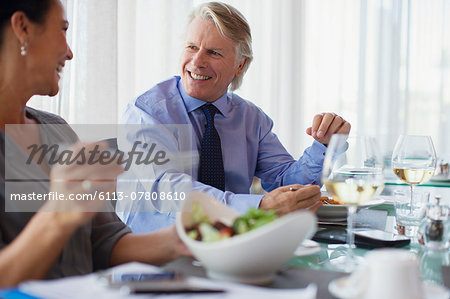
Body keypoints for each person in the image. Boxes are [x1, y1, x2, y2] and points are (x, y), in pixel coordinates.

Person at [0, 0, 189, 287]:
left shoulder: (57, 131)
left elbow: (106, 242)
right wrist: (58, 215)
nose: (69, 52)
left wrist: (188, 238)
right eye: (62, 29)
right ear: (23, 28)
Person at [117, 2, 351, 233]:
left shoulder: (251, 119)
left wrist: (325, 145)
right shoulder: (146, 113)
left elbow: (286, 182)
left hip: (234, 251)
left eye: (213, 52)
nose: (197, 61)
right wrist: (259, 206)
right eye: (191, 47)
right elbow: (166, 189)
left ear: (240, 65)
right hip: (156, 261)